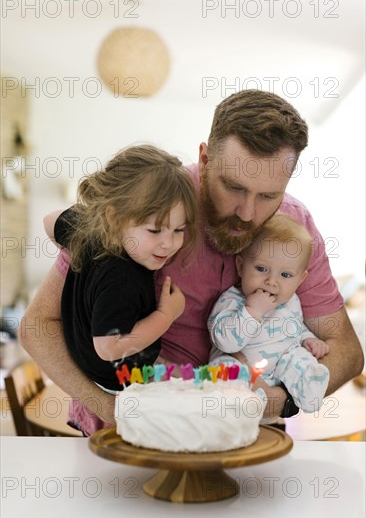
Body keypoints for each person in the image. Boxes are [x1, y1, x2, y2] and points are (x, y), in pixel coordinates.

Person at [19, 90, 364, 435]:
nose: (247, 213)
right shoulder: (148, 203)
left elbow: (347, 352)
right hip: (128, 428)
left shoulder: (296, 227)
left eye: (268, 196)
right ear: (205, 158)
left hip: (246, 431)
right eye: (233, 187)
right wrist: (109, 407)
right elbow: (38, 325)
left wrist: (274, 401)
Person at [43, 144, 198, 400]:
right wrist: (166, 314)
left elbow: (50, 221)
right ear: (115, 219)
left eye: (178, 230)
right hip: (120, 383)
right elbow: (109, 347)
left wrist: (74, 249)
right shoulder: (122, 278)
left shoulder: (88, 233)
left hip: (99, 367)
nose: (168, 244)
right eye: (154, 230)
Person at [208, 214, 330, 414]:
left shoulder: (291, 302)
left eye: (285, 275)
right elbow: (225, 343)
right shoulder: (232, 300)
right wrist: (252, 311)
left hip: (279, 371)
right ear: (240, 266)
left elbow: (295, 328)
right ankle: (243, 400)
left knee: (298, 357)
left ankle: (309, 386)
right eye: (261, 269)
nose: (271, 281)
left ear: (300, 280)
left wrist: (308, 339)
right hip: (241, 369)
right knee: (225, 368)